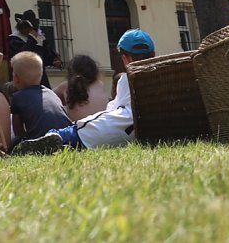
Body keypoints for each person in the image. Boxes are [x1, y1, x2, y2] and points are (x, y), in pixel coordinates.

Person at [12, 29, 155, 155]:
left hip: (122, 127)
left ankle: (56, 138)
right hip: (147, 125)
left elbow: (116, 109)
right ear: (153, 54)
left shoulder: (128, 78)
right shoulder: (159, 77)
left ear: (125, 59)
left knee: (83, 129)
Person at [8, 52, 71, 152]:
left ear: (16, 78)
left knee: (15, 144)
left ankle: (43, 143)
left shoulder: (17, 97)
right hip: (66, 134)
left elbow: (18, 131)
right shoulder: (51, 93)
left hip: (39, 138)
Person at [53, 55, 111, 121]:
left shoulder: (66, 86)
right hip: (104, 126)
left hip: (81, 129)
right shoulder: (100, 84)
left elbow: (47, 98)